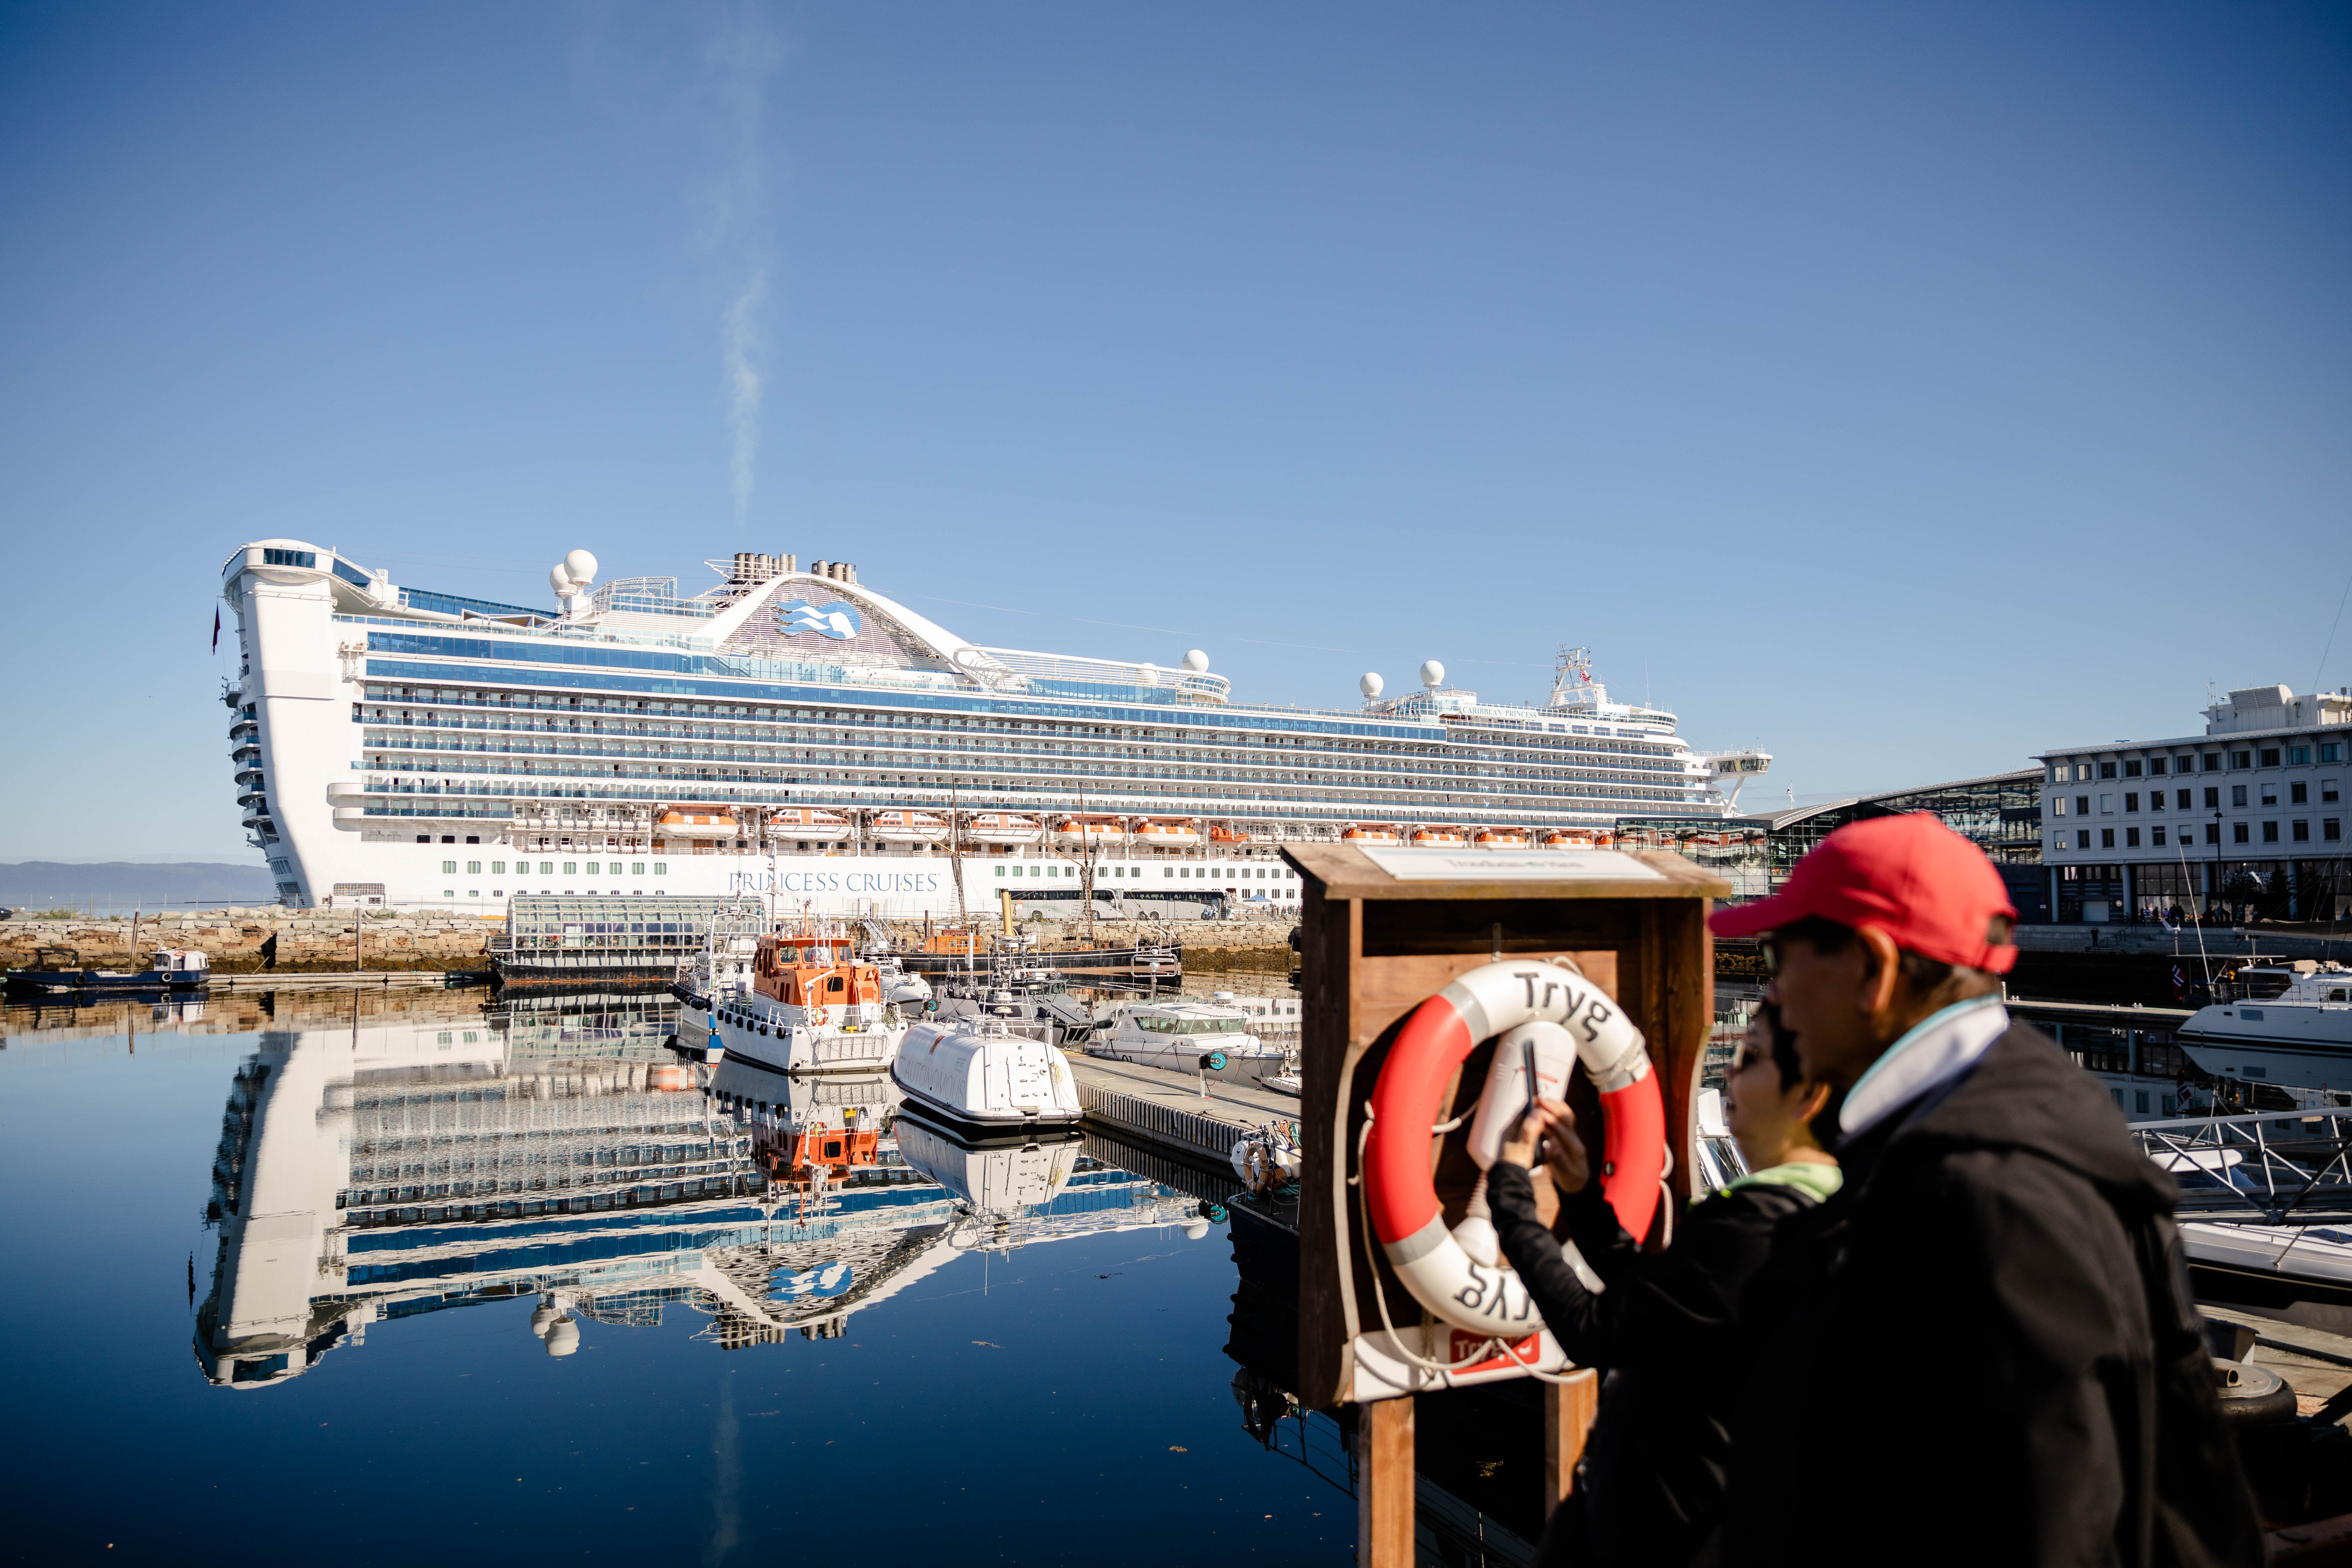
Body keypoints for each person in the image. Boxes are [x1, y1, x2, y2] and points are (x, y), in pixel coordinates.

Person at [1712, 812, 2259, 1568]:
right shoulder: (2025, 1117)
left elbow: (2040, 1521)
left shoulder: (1982, 1197)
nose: (1771, 991)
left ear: (1871, 968)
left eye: (1779, 957)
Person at [1486, 1002, 1841, 1567]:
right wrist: (1581, 1196)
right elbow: (1657, 1300)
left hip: (1665, 1539)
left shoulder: (1759, 1226)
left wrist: (1508, 1191)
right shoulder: (1819, 1209)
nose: (1730, 1070)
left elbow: (1591, 1330)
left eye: (1751, 1056)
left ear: (1808, 1095)